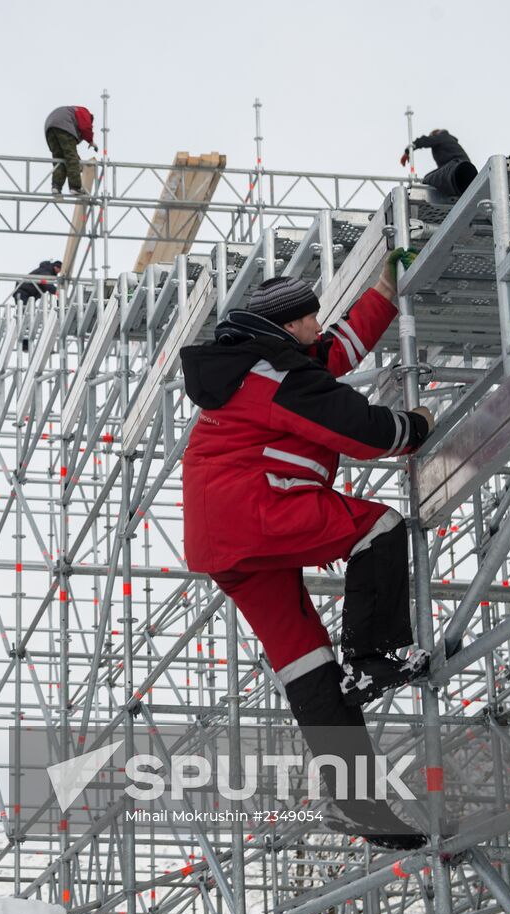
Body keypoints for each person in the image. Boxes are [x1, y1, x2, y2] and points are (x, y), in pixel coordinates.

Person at [179, 254, 434, 849]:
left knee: (306, 663)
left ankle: (358, 807)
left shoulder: (260, 363)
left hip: (226, 540)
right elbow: (362, 433)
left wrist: (385, 293)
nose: (319, 327)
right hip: (257, 511)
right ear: (289, 324)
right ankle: (373, 654)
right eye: (311, 319)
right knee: (380, 526)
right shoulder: (276, 378)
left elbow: (333, 354)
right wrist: (414, 426)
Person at [401, 129, 478, 198]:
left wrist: (407, 151)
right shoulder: (451, 140)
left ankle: (432, 197)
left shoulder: (441, 136)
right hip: (464, 170)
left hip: (454, 168)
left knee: (427, 180)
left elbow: (424, 141)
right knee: (434, 178)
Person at [45, 106, 97, 198]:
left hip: (50, 128)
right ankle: (75, 187)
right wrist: (90, 140)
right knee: (71, 158)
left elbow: (67, 149)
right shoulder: (85, 113)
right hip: (63, 126)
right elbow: (85, 127)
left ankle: (56, 187)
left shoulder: (71, 112)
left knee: (59, 159)